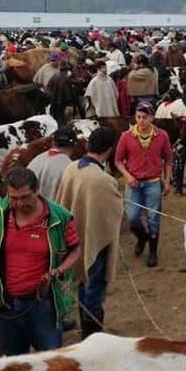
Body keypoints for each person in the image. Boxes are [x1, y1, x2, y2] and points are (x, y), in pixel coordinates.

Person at [0, 167, 80, 356]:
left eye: (25, 197)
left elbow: (75, 250)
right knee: (11, 366)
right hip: (5, 303)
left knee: (51, 363)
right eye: (13, 198)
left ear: (37, 190)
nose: (19, 203)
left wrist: (58, 271)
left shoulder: (59, 217)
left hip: (42, 304)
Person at [56, 127, 123, 338]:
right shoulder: (103, 180)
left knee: (83, 283)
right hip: (95, 241)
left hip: (73, 240)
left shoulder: (71, 168)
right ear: (109, 150)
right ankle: (91, 332)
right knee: (94, 287)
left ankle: (88, 328)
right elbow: (113, 214)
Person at [114, 101, 172, 267]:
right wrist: (127, 176)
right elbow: (118, 161)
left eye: (145, 117)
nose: (141, 121)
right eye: (138, 117)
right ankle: (142, 237)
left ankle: (153, 251)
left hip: (153, 182)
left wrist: (167, 182)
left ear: (152, 118)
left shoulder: (161, 136)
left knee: (154, 218)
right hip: (134, 183)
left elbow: (168, 159)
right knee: (132, 217)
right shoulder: (126, 136)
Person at [26, 128, 76, 201]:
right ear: (75, 144)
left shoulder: (36, 160)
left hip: (33, 209)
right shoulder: (70, 167)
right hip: (56, 211)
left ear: (53, 143)